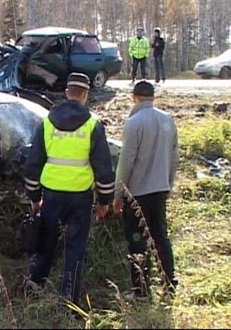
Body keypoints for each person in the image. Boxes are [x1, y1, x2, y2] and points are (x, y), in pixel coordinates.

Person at [23, 72, 115, 306]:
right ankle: (68, 300)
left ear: (66, 92)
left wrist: (34, 198)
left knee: (46, 243)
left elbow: (33, 165)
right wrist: (105, 201)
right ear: (85, 95)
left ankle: (34, 287)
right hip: (80, 197)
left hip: (51, 195)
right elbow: (104, 169)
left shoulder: (46, 123)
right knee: (74, 249)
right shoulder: (93, 125)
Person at [112, 80, 179, 301]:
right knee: (161, 237)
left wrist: (118, 194)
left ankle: (141, 290)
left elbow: (126, 162)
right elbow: (174, 158)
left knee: (137, 239)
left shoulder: (134, 123)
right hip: (160, 188)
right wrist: (168, 185)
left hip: (137, 193)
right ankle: (169, 286)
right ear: (153, 97)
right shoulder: (167, 120)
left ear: (134, 97)